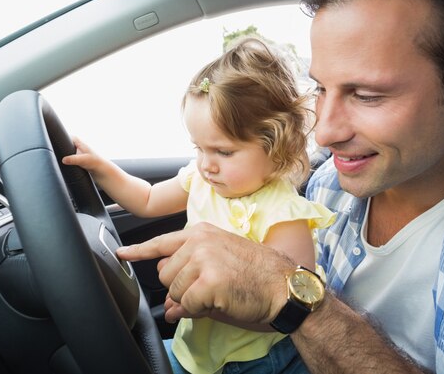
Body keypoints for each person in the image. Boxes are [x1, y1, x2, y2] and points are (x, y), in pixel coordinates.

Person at [116, 0, 444, 373]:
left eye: (366, 95)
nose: (324, 133)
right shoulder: (330, 181)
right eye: (321, 88)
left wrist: (290, 298)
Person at [63, 37, 335, 374]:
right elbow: (147, 200)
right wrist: (100, 168)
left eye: (223, 151)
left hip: (255, 360)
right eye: (198, 148)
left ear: (276, 145)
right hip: (196, 347)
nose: (207, 164)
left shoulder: (286, 216)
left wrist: (207, 306)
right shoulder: (202, 179)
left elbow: (285, 314)